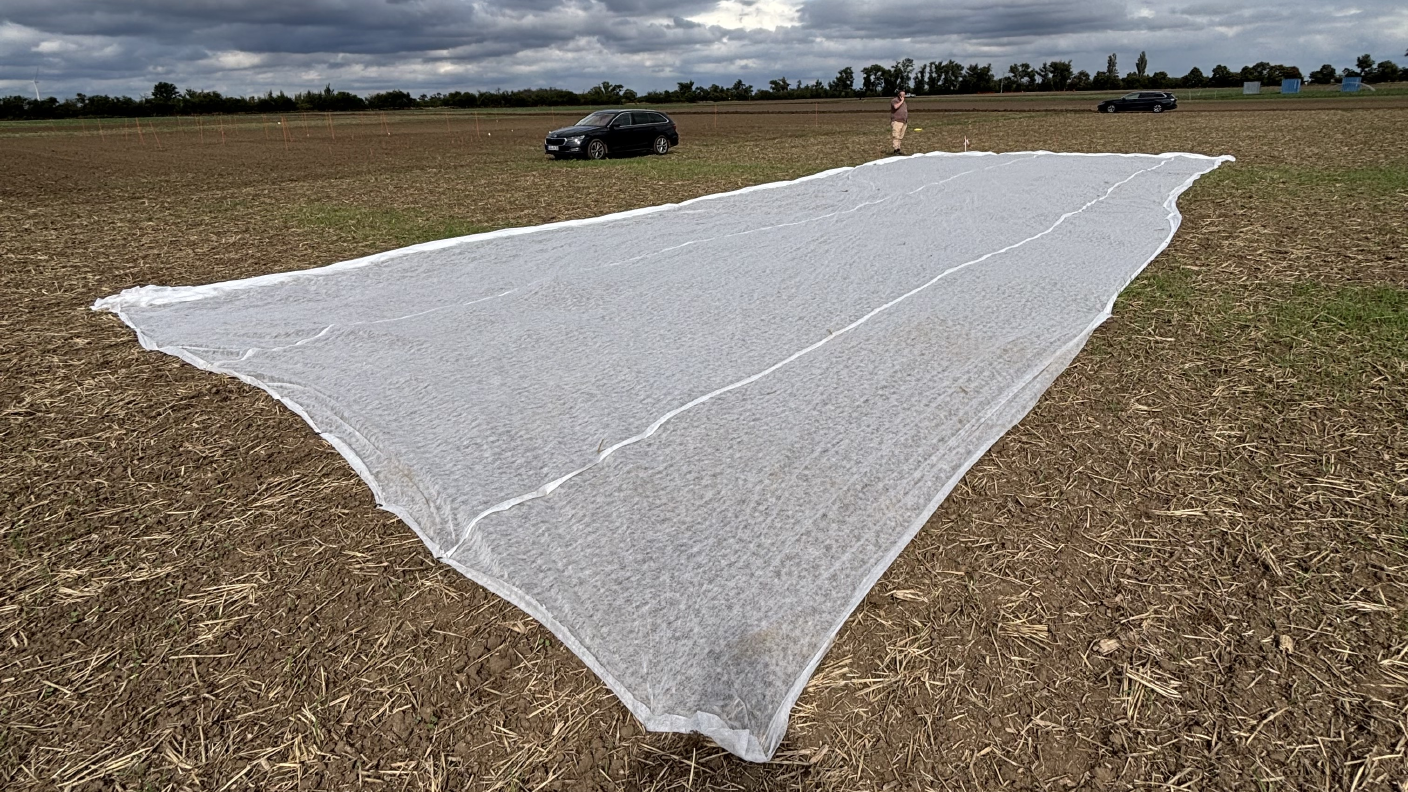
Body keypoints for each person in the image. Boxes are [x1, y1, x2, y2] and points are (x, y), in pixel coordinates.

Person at [889, 90, 908, 155]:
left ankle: (898, 149)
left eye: (904, 95)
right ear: (899, 95)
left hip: (903, 122)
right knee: (896, 136)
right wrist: (902, 101)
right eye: (901, 95)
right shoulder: (894, 100)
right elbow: (895, 107)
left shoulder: (904, 103)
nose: (903, 96)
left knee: (900, 136)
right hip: (897, 121)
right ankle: (896, 149)